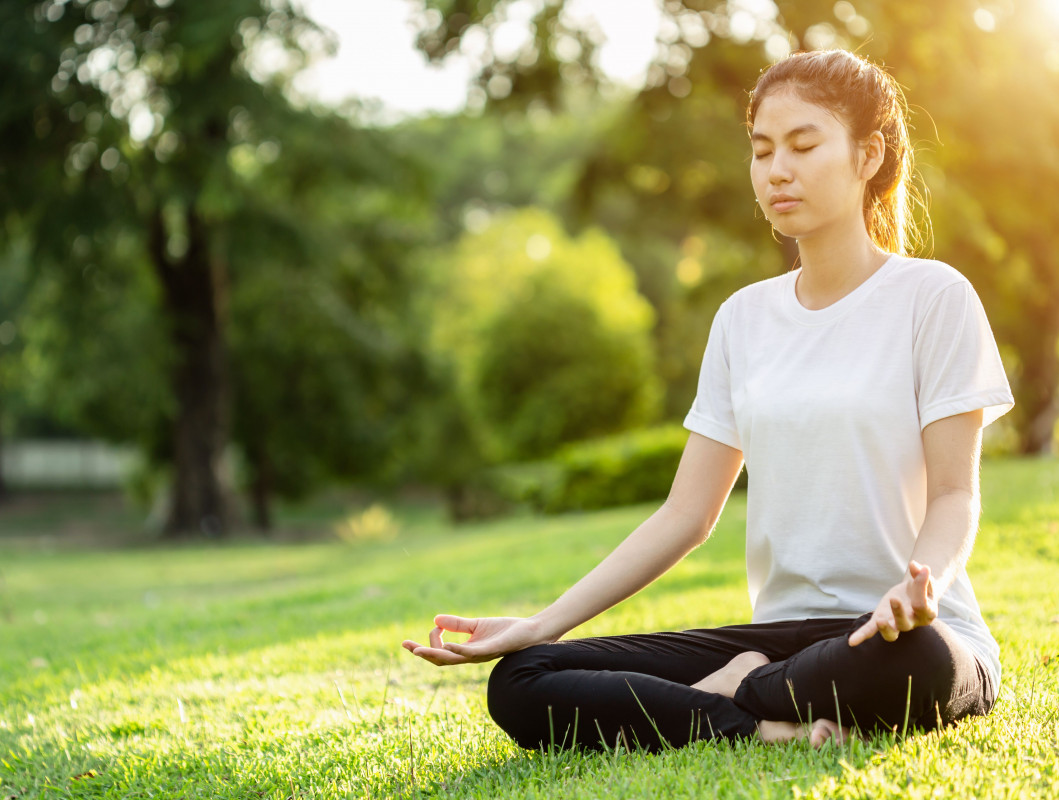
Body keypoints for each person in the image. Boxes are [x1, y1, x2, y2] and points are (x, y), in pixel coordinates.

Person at [402, 48, 1015, 753]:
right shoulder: (743, 320)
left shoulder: (933, 298)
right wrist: (541, 623)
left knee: (923, 664)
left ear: (869, 154)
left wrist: (923, 588)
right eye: (761, 151)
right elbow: (686, 516)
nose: (776, 169)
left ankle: (731, 693)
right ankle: (756, 721)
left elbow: (953, 495)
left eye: (803, 144)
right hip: (785, 639)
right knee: (524, 678)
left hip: (904, 635)